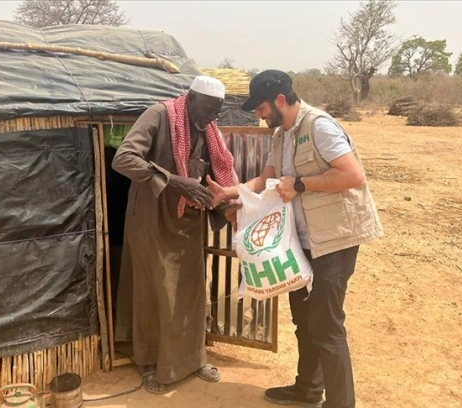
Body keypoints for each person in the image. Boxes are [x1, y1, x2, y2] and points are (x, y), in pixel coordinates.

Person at [208, 70, 383, 408]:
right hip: (304, 239)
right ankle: (308, 391)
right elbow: (266, 179)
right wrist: (230, 193)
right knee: (304, 321)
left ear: (279, 100)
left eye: (259, 108)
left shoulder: (319, 126)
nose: (256, 115)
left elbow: (351, 174)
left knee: (327, 327)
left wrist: (300, 183)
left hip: (335, 240)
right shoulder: (281, 134)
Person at [112, 76, 239, 394]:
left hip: (190, 221)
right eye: (206, 110)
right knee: (156, 291)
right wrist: (175, 181)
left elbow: (214, 171)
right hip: (153, 220)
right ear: (192, 98)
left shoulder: (208, 127)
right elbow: (124, 158)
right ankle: (151, 363)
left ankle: (194, 358)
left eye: (216, 113)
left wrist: (222, 203)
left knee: (193, 291)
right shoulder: (159, 114)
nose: (209, 118)